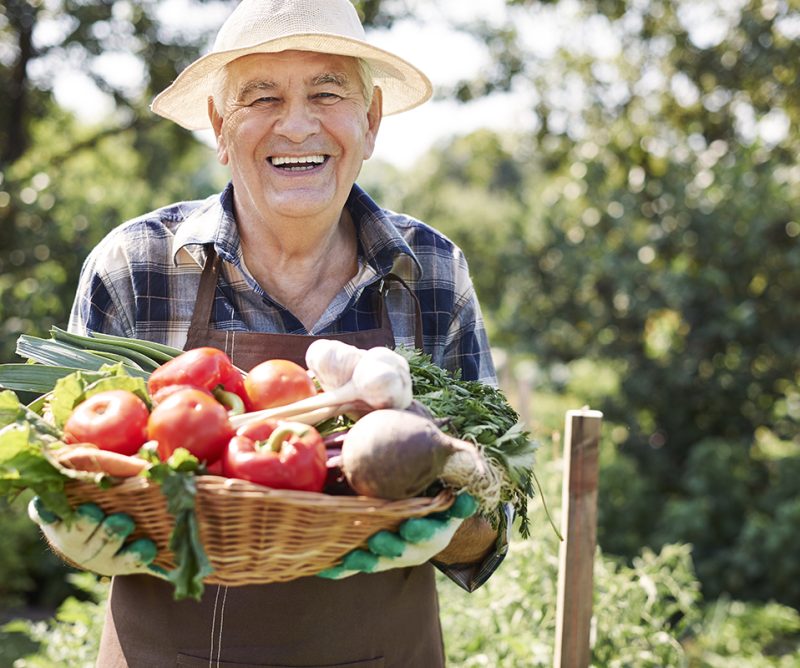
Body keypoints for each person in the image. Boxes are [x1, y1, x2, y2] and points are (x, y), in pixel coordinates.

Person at [32, 0, 509, 665]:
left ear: (371, 121)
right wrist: (72, 528)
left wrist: (448, 523)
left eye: (327, 93)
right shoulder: (135, 266)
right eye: (262, 97)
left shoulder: (432, 272)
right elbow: (69, 472)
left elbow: (491, 518)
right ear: (219, 127)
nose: (297, 125)